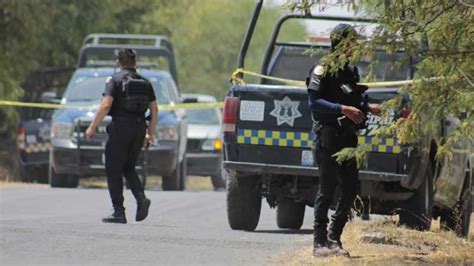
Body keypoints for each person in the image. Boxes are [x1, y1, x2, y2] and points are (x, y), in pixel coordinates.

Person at [307, 24, 382, 257]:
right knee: (326, 189)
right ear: (340, 42)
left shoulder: (350, 71)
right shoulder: (322, 68)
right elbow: (314, 103)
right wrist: (342, 108)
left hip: (348, 139)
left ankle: (334, 237)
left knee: (350, 189)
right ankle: (319, 242)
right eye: (352, 42)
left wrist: (368, 107)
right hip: (327, 138)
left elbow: (355, 100)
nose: (355, 46)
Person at [85, 48, 158, 224]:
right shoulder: (145, 82)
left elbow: (105, 105)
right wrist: (150, 133)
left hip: (120, 128)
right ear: (135, 62)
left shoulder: (114, 80)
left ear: (118, 62)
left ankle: (118, 211)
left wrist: (92, 127)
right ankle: (141, 198)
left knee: (113, 169)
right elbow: (154, 110)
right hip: (139, 128)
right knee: (129, 167)